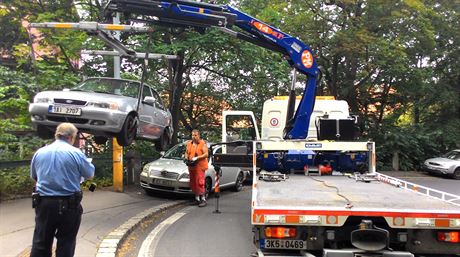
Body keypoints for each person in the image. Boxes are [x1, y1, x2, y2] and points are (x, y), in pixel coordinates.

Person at [30, 123, 95, 257]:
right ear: (72, 137)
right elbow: (90, 174)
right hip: (69, 204)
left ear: (56, 135)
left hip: (44, 204)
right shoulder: (76, 153)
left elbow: (34, 177)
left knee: (40, 242)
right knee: (66, 243)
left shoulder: (40, 152)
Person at [184, 129, 209, 207]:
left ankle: (203, 199)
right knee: (193, 182)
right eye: (192, 135)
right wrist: (186, 158)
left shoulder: (202, 143)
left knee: (200, 182)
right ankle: (197, 199)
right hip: (191, 166)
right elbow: (186, 152)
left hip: (200, 166)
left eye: (195, 135)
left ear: (199, 136)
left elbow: (206, 154)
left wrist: (197, 158)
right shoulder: (189, 144)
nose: (194, 137)